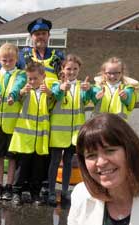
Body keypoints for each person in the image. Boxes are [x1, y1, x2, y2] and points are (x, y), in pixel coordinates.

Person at [47, 54, 91, 207]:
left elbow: (86, 99)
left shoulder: (82, 86)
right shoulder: (56, 84)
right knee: (54, 162)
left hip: (75, 133)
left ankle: (65, 191)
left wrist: (88, 90)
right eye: (68, 69)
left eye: (75, 69)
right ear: (62, 69)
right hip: (58, 132)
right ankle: (52, 191)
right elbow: (55, 97)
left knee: (68, 162)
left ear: (79, 70)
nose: (71, 72)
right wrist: (61, 89)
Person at [0, 43, 26, 201]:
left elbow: (17, 86)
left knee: (12, 157)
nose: (8, 63)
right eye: (4, 60)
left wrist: (12, 96)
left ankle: (9, 186)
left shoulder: (21, 74)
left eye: (11, 60)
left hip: (13, 123)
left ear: (16, 59)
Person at [8, 62, 51, 206]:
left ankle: (35, 193)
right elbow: (16, 98)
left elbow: (55, 100)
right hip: (25, 137)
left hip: (40, 138)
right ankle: (17, 192)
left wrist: (50, 93)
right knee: (22, 167)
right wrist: (21, 92)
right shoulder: (25, 91)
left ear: (43, 77)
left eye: (35, 78)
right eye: (29, 79)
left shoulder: (47, 92)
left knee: (38, 168)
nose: (32, 81)